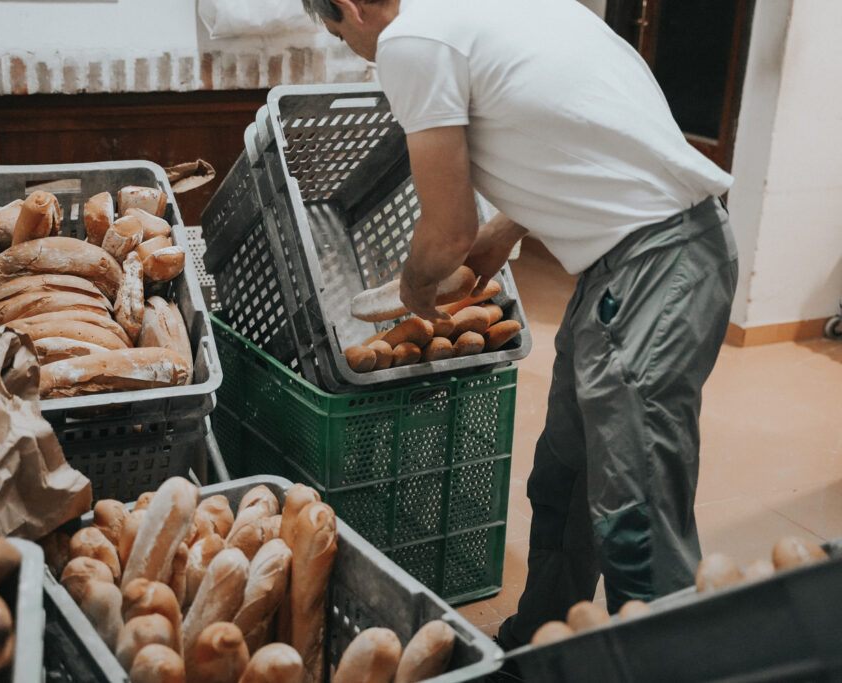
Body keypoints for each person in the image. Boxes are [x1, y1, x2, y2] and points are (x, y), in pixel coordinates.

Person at [299, 0, 739, 649]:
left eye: (339, 35)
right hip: (641, 263)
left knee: (636, 503)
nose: (352, 50)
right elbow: (581, 129)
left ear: (353, 7)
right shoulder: (495, 8)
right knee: (566, 472)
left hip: (656, 265)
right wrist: (508, 227)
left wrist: (416, 287)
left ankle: (663, 659)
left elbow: (446, 232)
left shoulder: (409, 41)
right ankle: (540, 642)